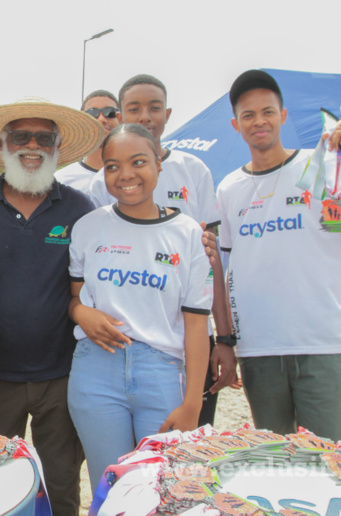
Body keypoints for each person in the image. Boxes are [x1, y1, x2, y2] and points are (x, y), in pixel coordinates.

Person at [217, 69, 341, 443]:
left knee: (332, 462)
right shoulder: (229, 188)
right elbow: (228, 271)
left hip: (322, 345)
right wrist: (226, 339)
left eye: (267, 112)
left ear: (283, 115)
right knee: (278, 464)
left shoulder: (323, 166)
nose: (259, 121)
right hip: (259, 350)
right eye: (248, 115)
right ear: (236, 124)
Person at [0, 99, 103, 516]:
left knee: (61, 484)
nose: (32, 146)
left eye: (44, 138)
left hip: (63, 374)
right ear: (3, 144)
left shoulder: (79, 208)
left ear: (57, 146)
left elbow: (98, 279)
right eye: (21, 136)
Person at [67, 123, 212, 490]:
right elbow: (75, 297)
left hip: (161, 372)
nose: (126, 175)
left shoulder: (189, 233)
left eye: (138, 162)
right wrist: (79, 312)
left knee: (160, 490)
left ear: (159, 164)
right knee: (110, 488)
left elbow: (197, 324)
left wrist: (192, 403)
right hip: (95, 371)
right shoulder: (87, 227)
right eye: (112, 166)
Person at [89, 74, 234, 426]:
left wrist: (225, 338)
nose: (145, 116)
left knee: (189, 441)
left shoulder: (193, 170)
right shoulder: (100, 184)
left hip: (191, 337)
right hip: (128, 345)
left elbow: (212, 264)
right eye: (134, 109)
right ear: (120, 115)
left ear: (167, 114)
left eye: (154, 108)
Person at [54, 90, 120, 192]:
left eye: (110, 112)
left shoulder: (135, 177)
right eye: (92, 113)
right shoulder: (61, 181)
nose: (101, 119)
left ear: (121, 119)